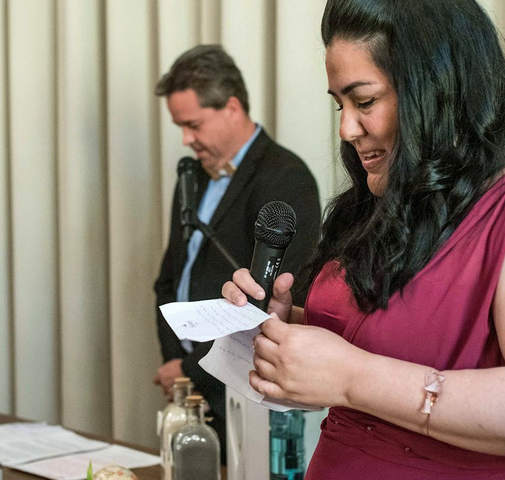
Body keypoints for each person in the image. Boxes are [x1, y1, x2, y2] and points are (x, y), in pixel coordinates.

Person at [222, 0, 505, 478]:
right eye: (340, 104)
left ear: (436, 88)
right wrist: (290, 332)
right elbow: (407, 339)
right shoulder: (412, 192)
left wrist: (350, 377)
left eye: (364, 101)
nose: (346, 128)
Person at [153, 45, 322, 462]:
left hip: (241, 387)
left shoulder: (286, 176)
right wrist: (177, 363)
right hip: (188, 387)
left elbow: (277, 294)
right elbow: (171, 277)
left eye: (193, 125)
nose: (186, 139)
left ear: (231, 107)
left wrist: (190, 370)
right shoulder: (190, 176)